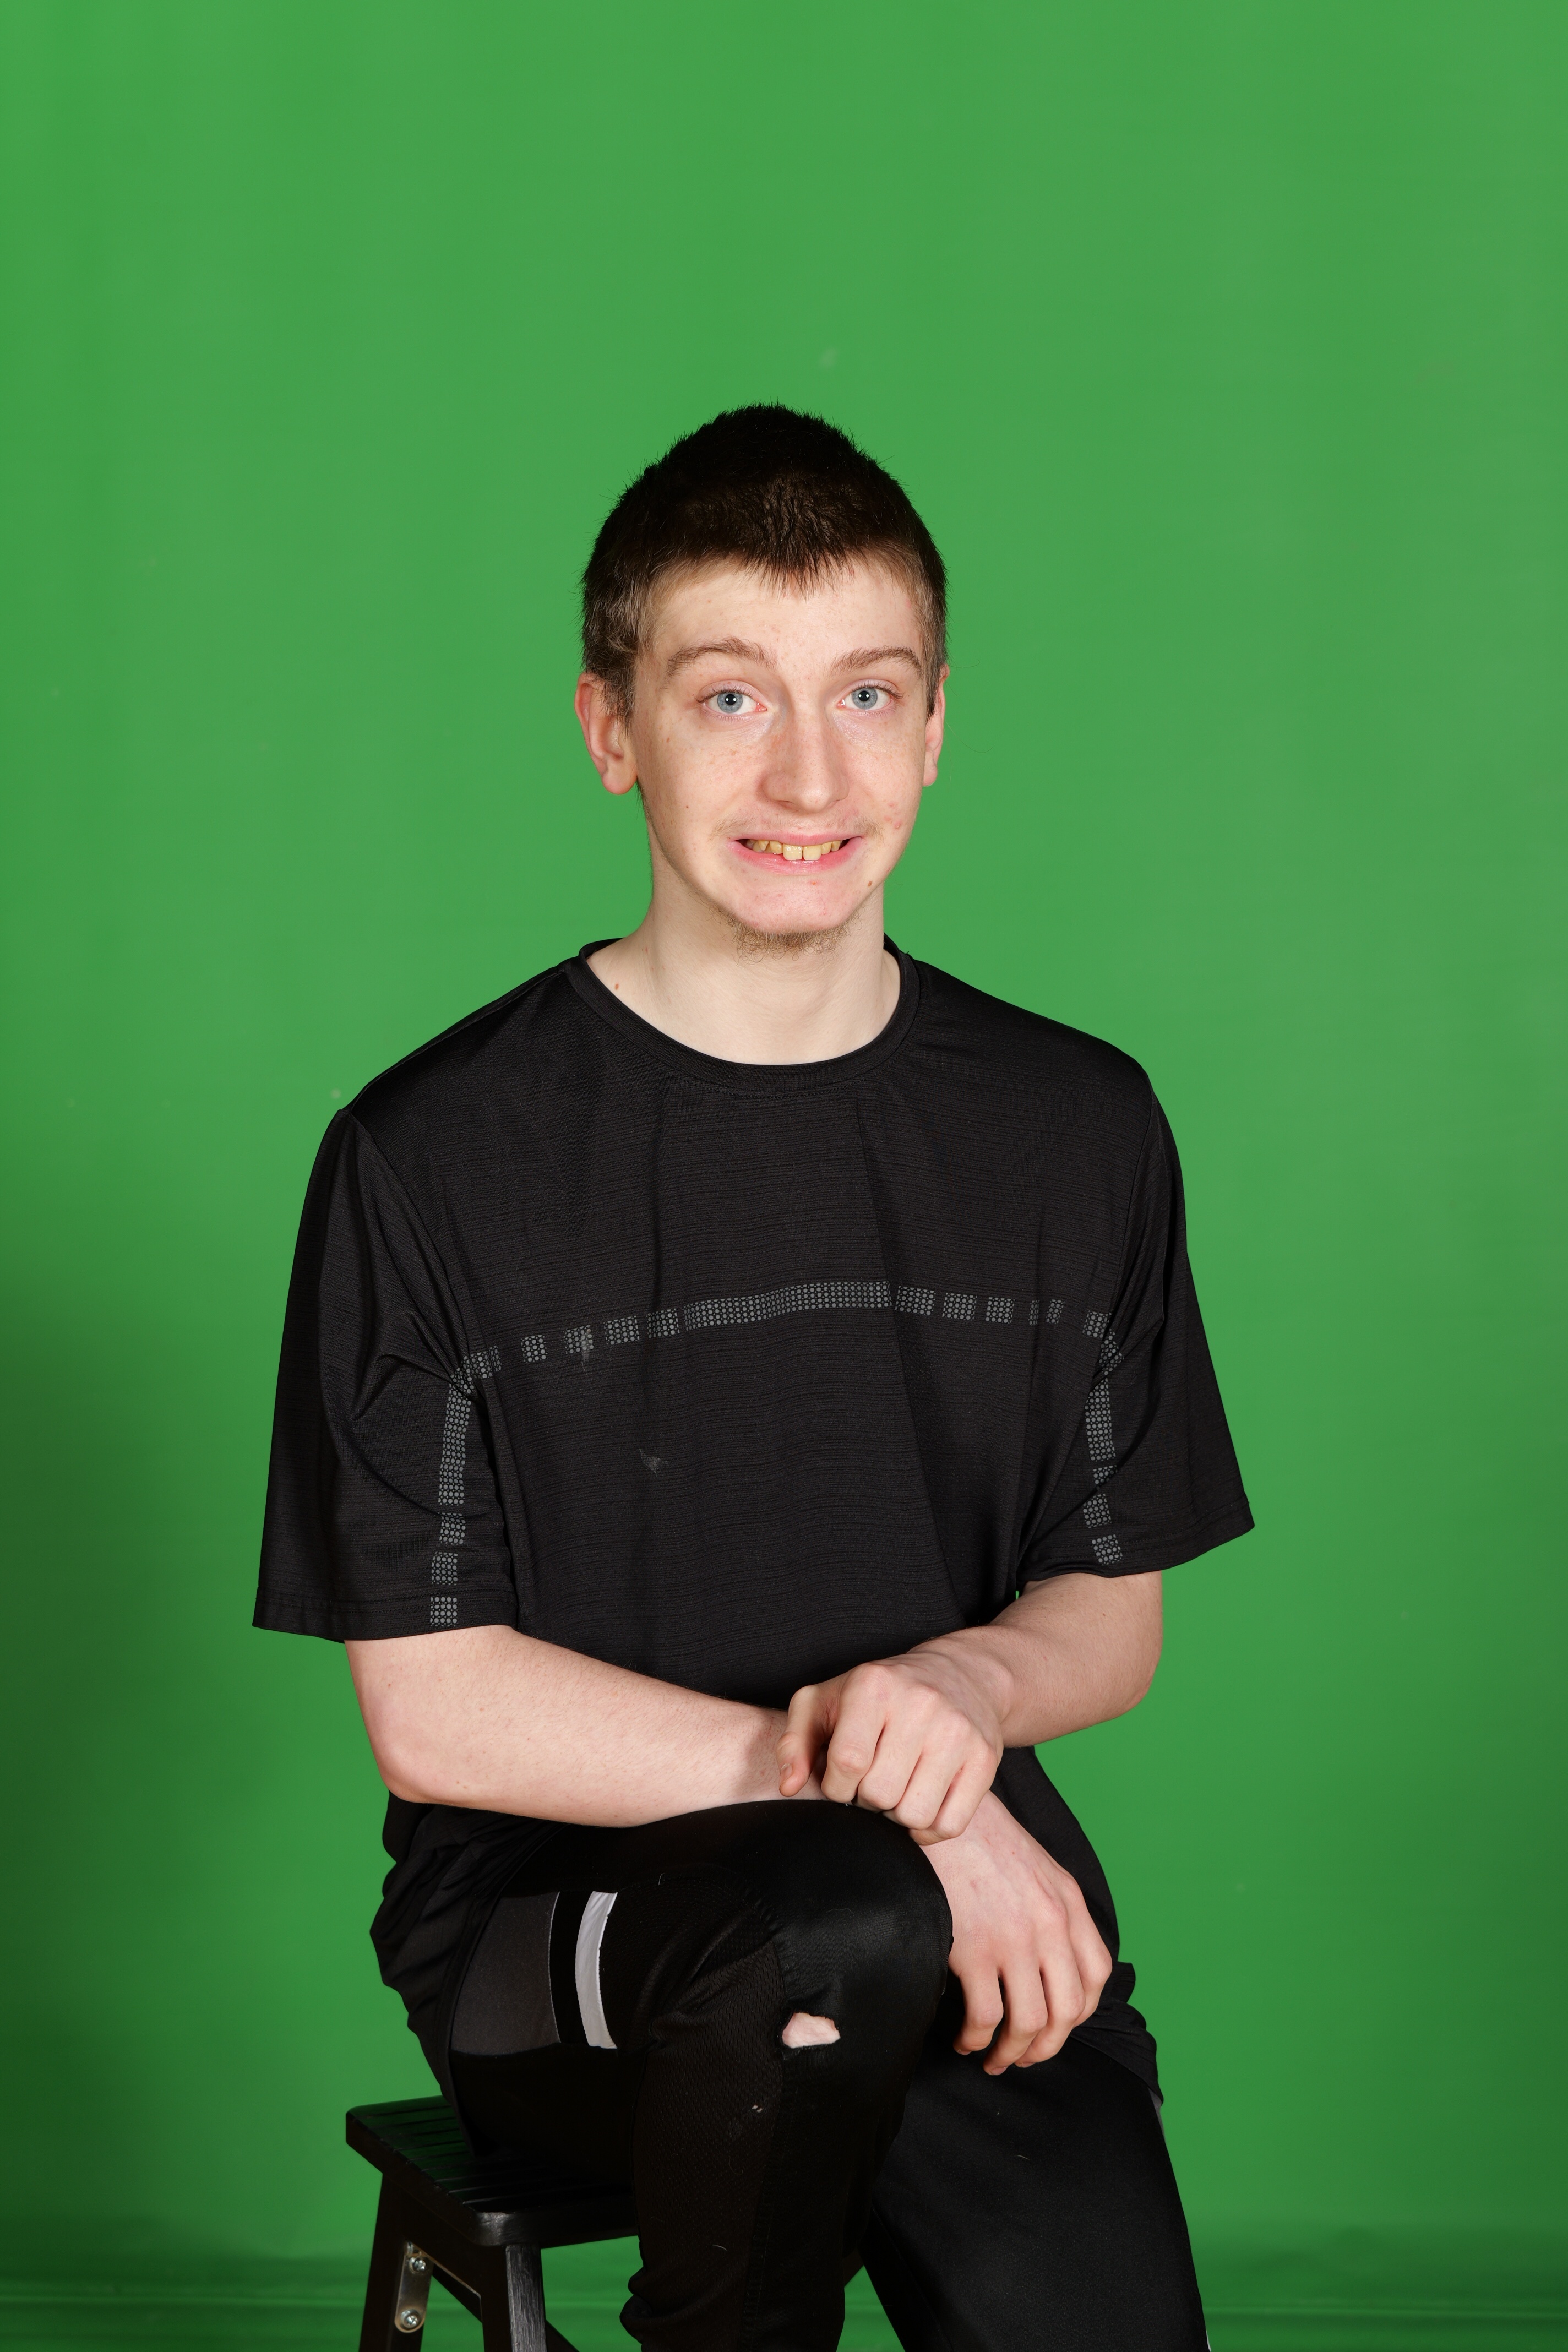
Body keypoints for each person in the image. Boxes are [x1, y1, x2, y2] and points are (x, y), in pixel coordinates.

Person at [255, 405, 1252, 2352]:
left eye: (866, 693)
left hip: (956, 1930)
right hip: (560, 1953)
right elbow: (436, 1714)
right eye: (729, 697)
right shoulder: (430, 1158)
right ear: (610, 729)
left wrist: (970, 1696)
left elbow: (1108, 1614)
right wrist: (920, 1821)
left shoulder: (1078, 1130)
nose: (809, 771)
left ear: (938, 724)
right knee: (833, 1915)